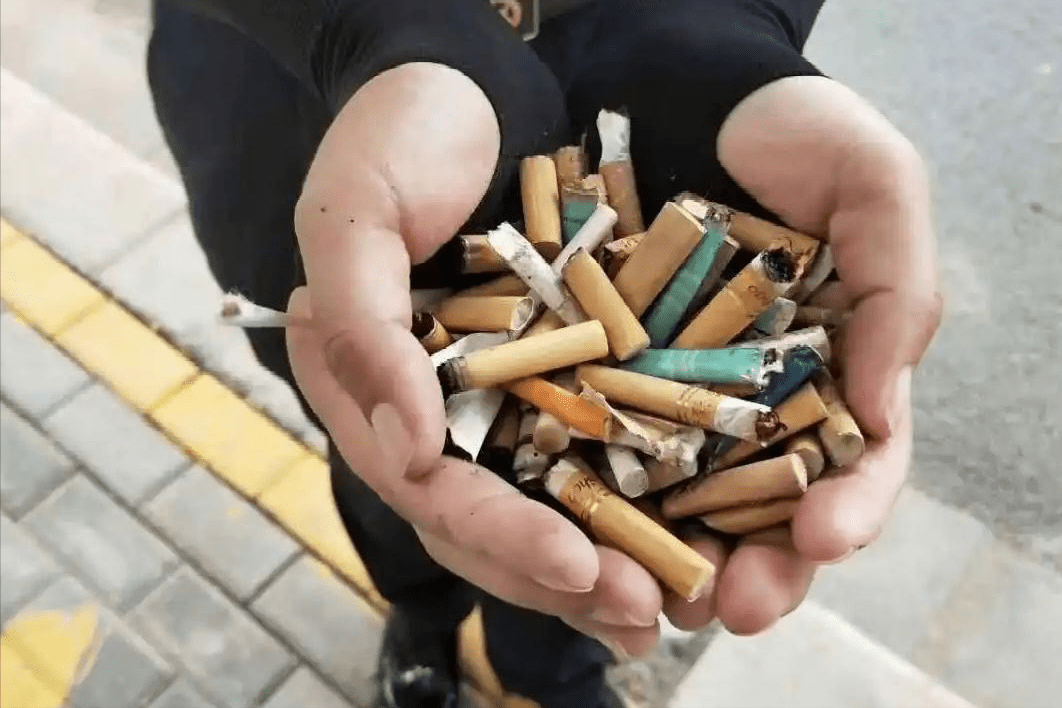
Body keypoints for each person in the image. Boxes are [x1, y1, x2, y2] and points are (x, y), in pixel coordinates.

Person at [147, 1, 942, 706]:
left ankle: (555, 677)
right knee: (383, 433)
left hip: (639, 89)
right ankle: (421, 614)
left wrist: (722, 20)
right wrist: (375, 21)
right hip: (301, 103)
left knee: (570, 561)